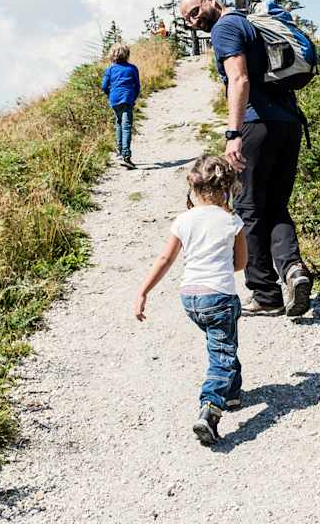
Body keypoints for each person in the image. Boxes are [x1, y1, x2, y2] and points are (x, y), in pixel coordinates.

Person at [178, 0, 313, 318]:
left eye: (194, 12)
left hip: (256, 126)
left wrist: (234, 134)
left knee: (249, 208)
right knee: (275, 205)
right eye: (186, 20)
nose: (193, 22)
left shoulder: (225, 28)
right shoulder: (249, 23)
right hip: (288, 124)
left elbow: (239, 79)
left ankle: (265, 294)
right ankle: (293, 270)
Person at [134, 156, 247, 446]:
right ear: (226, 189)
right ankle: (210, 407)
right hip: (219, 296)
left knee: (220, 342)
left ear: (193, 189)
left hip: (190, 299)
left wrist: (143, 291)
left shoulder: (183, 220)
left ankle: (232, 393)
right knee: (222, 351)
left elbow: (165, 259)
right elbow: (240, 263)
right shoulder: (232, 221)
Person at [102, 43, 140, 169]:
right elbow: (137, 87)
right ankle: (126, 156)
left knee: (119, 123)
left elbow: (104, 86)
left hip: (114, 100)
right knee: (126, 126)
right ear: (126, 54)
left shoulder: (111, 69)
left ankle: (119, 150)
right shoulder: (132, 68)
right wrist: (133, 97)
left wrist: (110, 94)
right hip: (127, 99)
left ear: (113, 55)